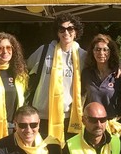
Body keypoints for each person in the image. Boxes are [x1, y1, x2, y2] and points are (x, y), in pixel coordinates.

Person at [26, 13, 87, 146]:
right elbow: (23, 68)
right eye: (62, 29)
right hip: (42, 116)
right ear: (57, 32)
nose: (66, 32)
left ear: (76, 32)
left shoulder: (83, 56)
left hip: (69, 118)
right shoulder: (44, 51)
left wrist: (119, 68)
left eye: (70, 29)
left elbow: (102, 66)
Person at [81, 34, 121, 124]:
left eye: (105, 49)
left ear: (111, 52)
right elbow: (80, 97)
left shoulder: (118, 74)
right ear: (92, 51)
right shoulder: (86, 74)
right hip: (92, 124)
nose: (101, 53)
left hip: (114, 124)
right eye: (97, 49)